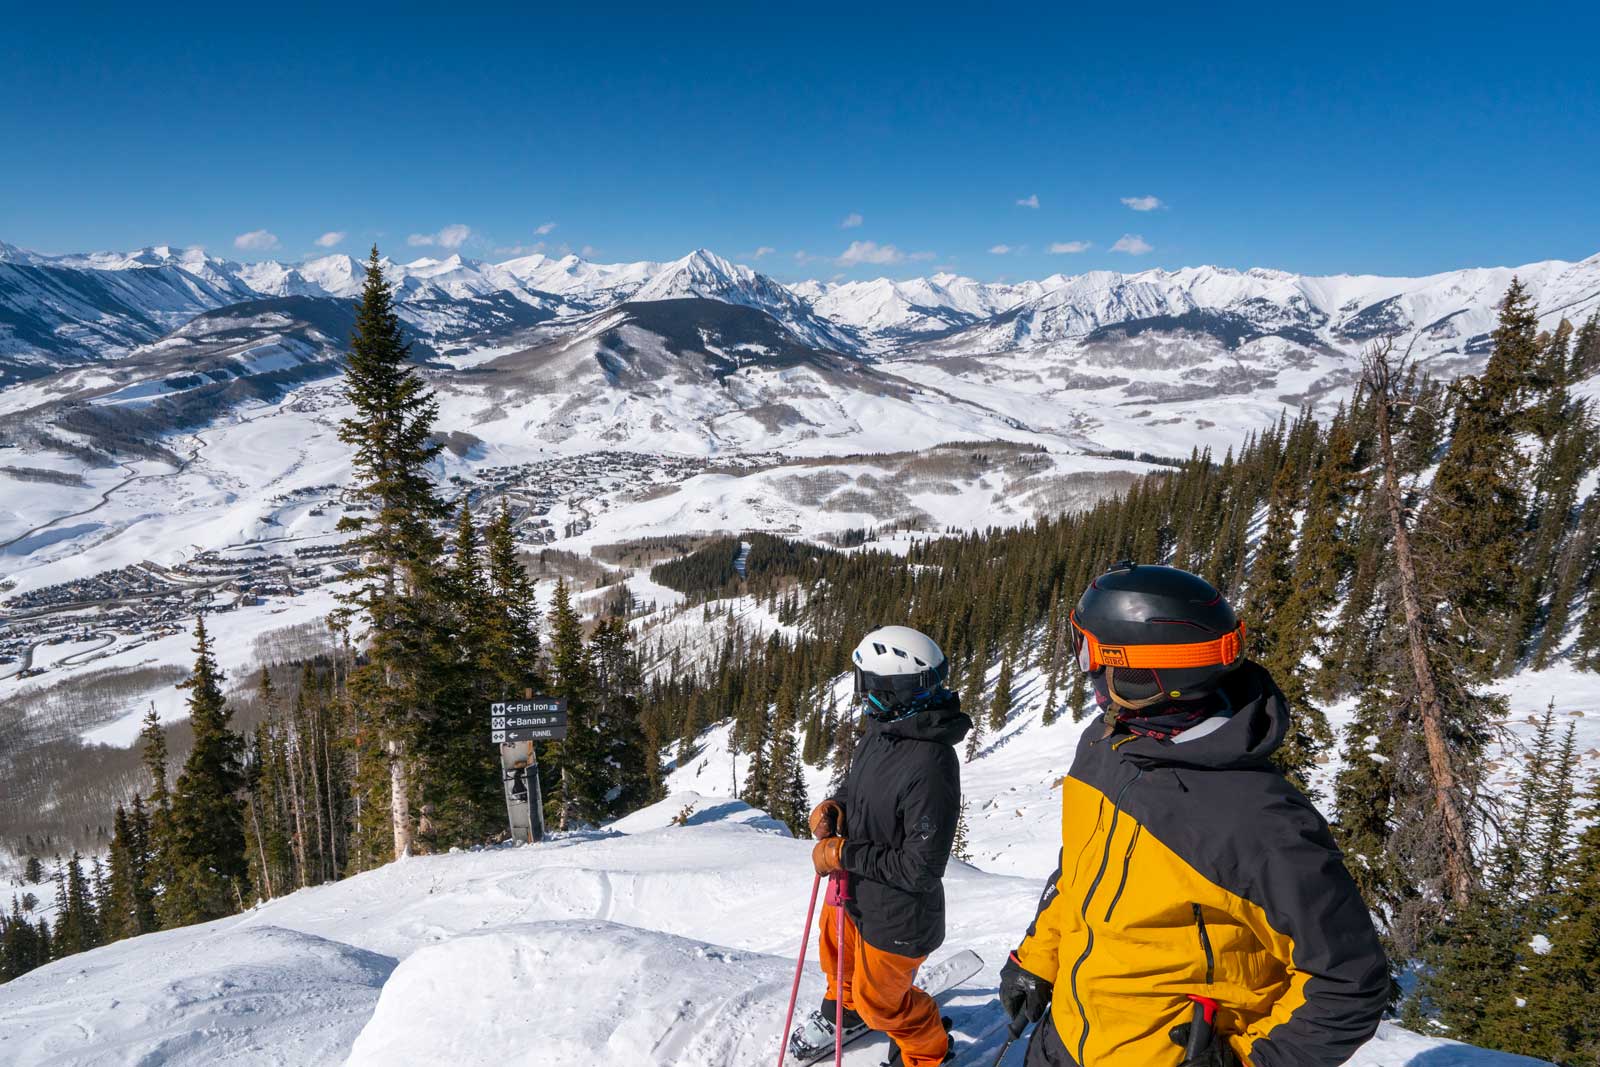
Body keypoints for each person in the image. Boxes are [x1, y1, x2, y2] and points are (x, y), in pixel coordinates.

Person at [999, 562, 1389, 1067]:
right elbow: (1078, 873)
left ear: (1142, 674)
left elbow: (1349, 980)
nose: (1087, 672)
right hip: (1064, 1041)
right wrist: (1037, 960)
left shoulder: (1256, 821)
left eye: (1092, 654)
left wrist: (1251, 1062)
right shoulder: (1106, 746)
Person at [789, 625, 972, 1067]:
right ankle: (844, 1014)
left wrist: (842, 854)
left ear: (894, 691)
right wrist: (836, 807)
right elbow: (862, 791)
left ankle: (931, 1053)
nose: (862, 694)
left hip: (898, 915)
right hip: (856, 893)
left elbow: (920, 868)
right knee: (836, 955)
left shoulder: (930, 764)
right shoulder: (883, 731)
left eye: (869, 684)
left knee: (883, 1005)